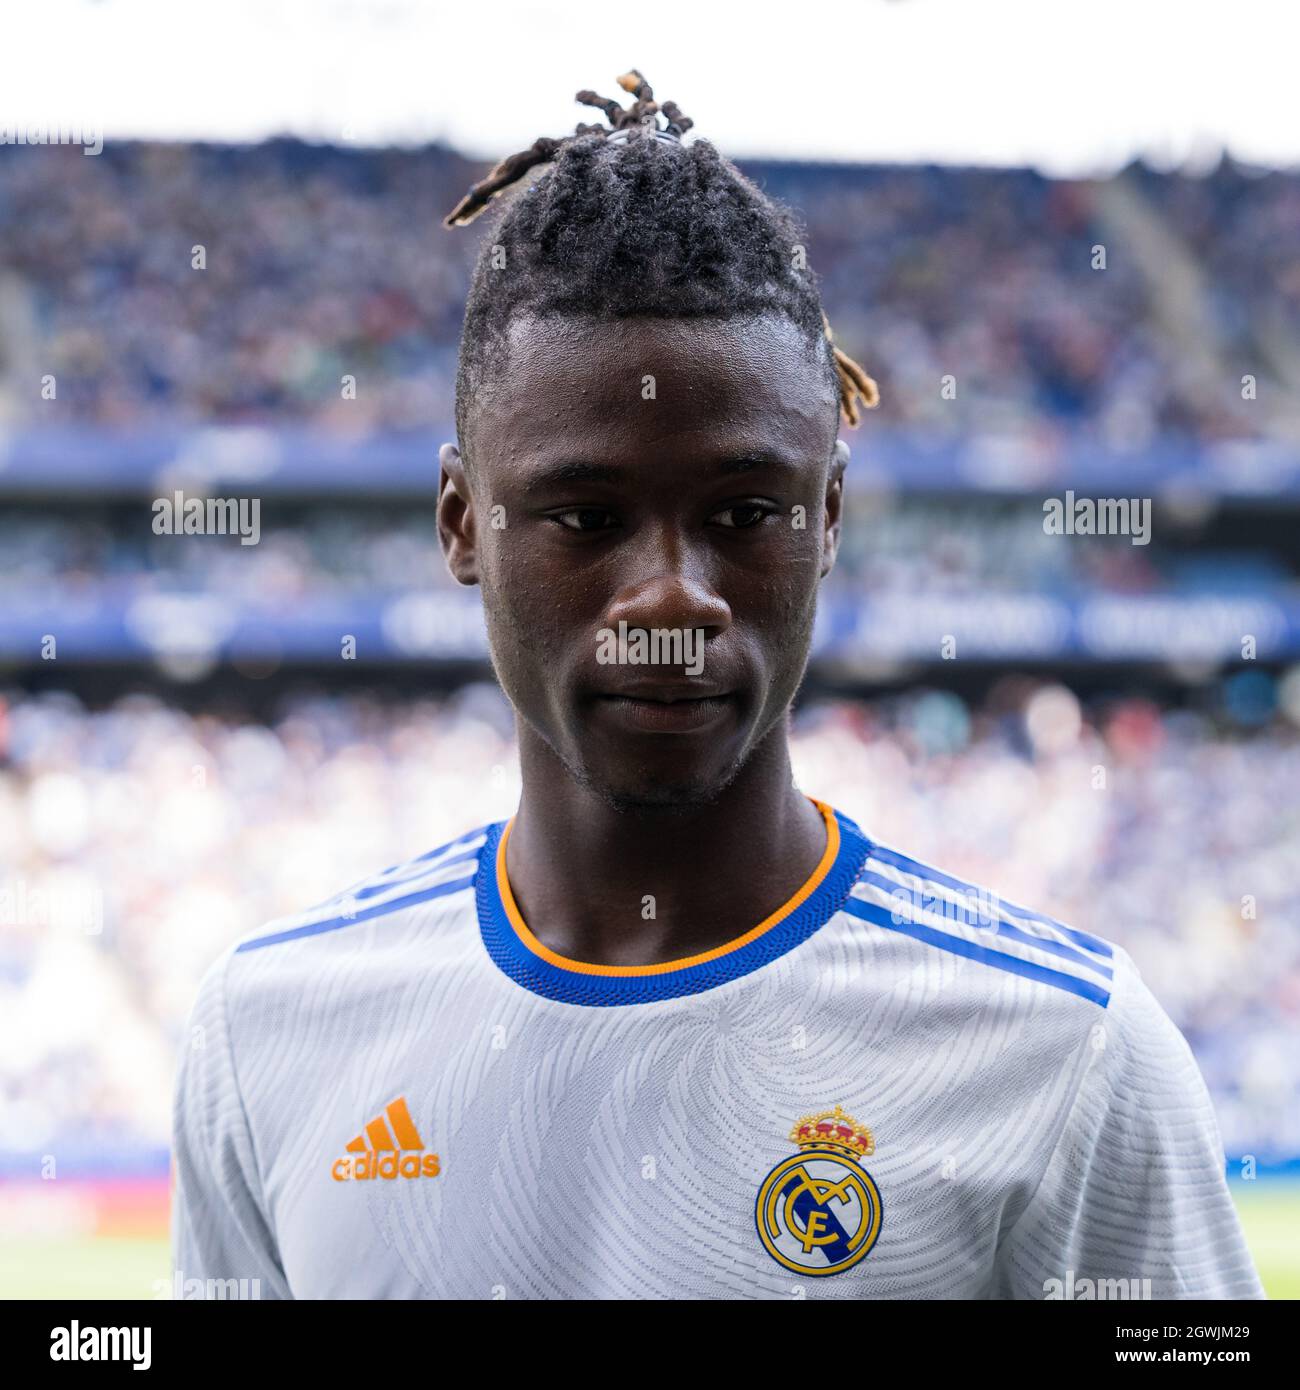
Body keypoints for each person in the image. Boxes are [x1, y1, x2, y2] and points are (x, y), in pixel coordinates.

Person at [172, 72, 1263, 1300]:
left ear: (829, 517)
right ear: (461, 521)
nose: (671, 598)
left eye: (745, 513)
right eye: (586, 516)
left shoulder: (1071, 1057)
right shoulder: (267, 1034)